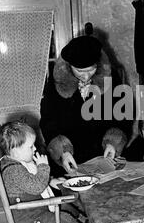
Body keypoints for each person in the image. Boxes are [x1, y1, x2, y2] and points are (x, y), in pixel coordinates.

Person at [0, 121, 95, 223]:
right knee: (65, 219)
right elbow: (36, 187)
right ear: (15, 150)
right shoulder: (13, 171)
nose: (35, 149)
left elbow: (29, 181)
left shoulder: (15, 163)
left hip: (37, 212)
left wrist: (50, 180)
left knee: (65, 206)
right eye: (30, 147)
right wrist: (43, 167)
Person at [40, 35, 129, 177]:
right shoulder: (57, 83)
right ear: (69, 66)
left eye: (91, 70)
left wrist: (112, 143)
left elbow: (123, 114)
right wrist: (63, 152)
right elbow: (48, 121)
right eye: (80, 71)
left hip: (102, 155)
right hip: (69, 158)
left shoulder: (112, 79)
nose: (86, 76)